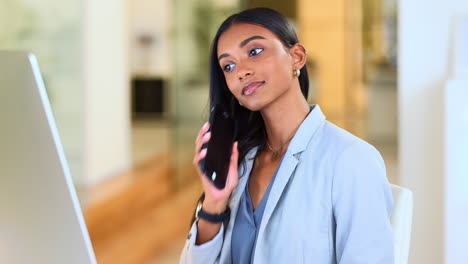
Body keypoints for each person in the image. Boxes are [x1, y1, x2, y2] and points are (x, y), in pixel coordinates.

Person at [179, 7, 394, 264]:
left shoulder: (351, 159)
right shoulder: (241, 161)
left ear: (297, 57)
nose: (241, 71)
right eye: (228, 65)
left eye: (255, 52)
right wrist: (215, 202)